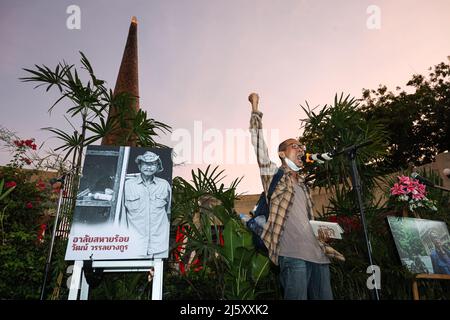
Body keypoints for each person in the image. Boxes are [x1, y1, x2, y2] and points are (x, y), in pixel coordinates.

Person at [248, 92, 333, 300]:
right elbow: (259, 144)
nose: (301, 149)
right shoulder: (273, 176)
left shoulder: (304, 185)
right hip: (292, 255)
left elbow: (305, 220)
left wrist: (322, 232)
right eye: (295, 146)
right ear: (282, 154)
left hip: (319, 255)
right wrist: (255, 108)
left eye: (302, 146)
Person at [122, 151, 171, 258]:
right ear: (139, 166)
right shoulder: (127, 185)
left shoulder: (164, 185)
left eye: (153, 164)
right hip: (134, 245)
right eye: (145, 164)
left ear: (158, 167)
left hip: (159, 246)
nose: (149, 167)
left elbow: (169, 212)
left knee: (157, 271)